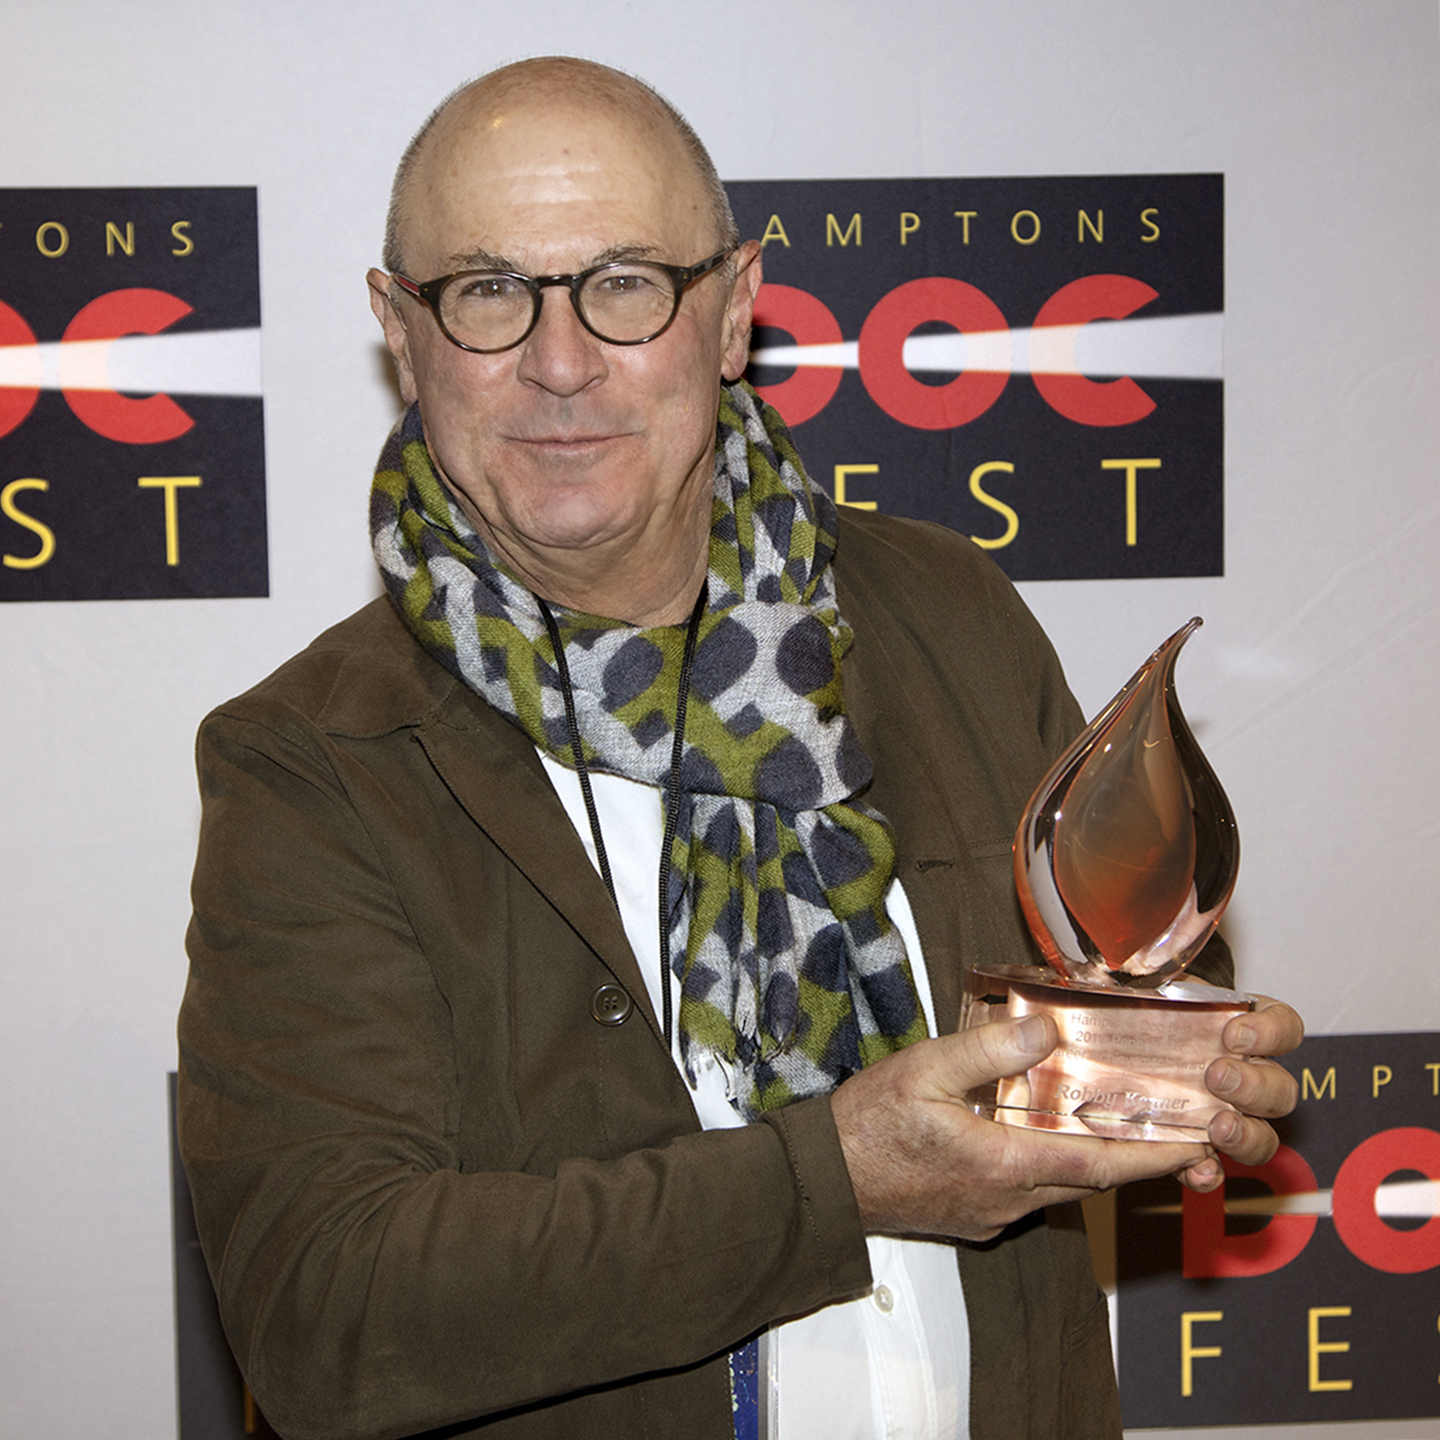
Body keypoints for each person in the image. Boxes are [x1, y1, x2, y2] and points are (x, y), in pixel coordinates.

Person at [177, 56, 1302, 1440]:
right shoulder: (314, 760)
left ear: (733, 310)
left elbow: (1100, 966)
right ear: (400, 334)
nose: (561, 360)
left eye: (627, 283)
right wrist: (836, 1177)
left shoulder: (949, 615)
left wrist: (1180, 1058)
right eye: (487, 293)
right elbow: (326, 1317)